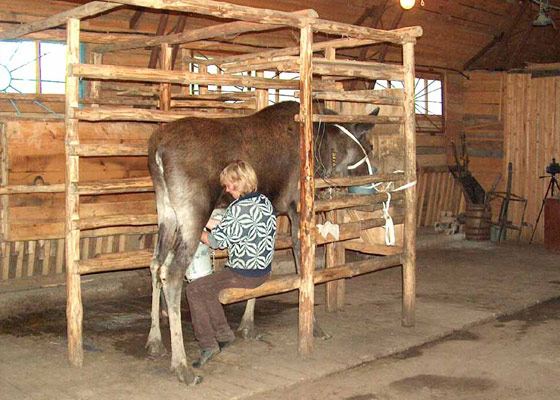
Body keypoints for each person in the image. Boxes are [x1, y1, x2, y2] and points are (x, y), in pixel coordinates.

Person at [187, 160, 277, 368]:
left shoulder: (238, 208)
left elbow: (216, 242)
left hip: (245, 274)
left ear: (239, 183)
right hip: (263, 270)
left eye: (229, 185)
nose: (226, 190)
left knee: (195, 289)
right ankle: (224, 334)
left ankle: (208, 344)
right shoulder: (263, 202)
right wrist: (203, 219)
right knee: (207, 288)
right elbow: (230, 226)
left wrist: (194, 228)